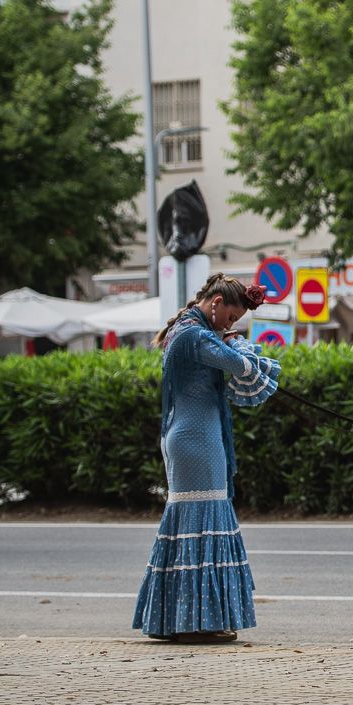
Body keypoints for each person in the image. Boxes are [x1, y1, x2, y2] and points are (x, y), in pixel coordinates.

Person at [133, 274, 280, 643]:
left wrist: (228, 337)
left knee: (190, 524)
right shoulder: (195, 336)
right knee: (205, 519)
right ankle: (200, 622)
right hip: (196, 437)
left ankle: (184, 620)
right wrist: (242, 346)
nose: (230, 325)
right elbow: (240, 366)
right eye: (230, 317)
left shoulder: (186, 331)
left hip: (189, 434)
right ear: (215, 303)